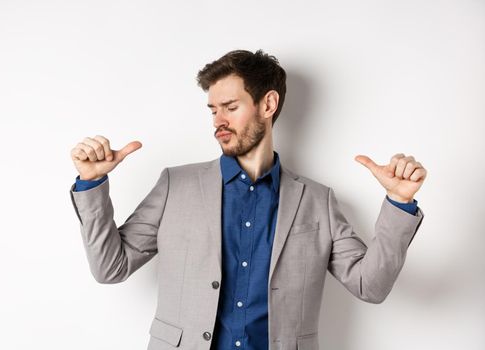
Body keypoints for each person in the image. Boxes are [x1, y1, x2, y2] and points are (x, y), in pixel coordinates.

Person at [69, 49, 426, 350]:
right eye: (212, 110)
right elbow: (110, 268)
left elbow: (370, 286)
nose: (218, 122)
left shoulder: (317, 200)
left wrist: (397, 202)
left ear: (268, 103)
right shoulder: (174, 186)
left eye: (230, 107)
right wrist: (92, 182)